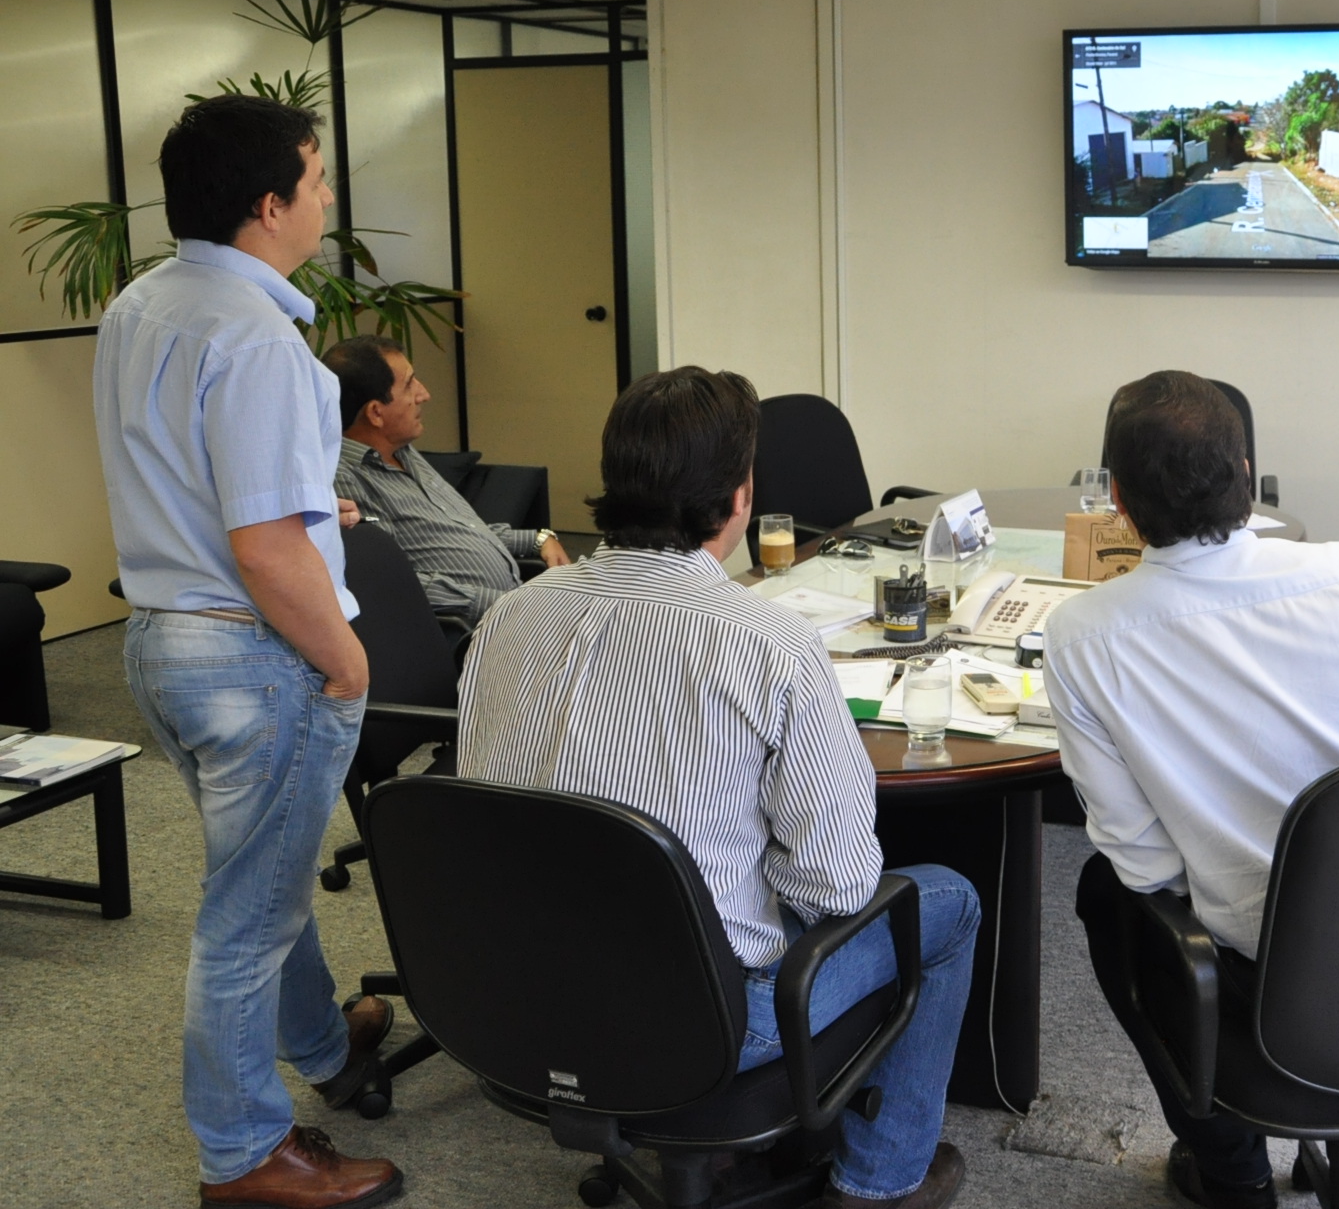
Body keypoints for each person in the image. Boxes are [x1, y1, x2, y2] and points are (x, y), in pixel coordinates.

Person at [457, 366, 977, 1209]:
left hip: (511, 1004)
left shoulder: (510, 615)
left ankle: (722, 1151)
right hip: (707, 1027)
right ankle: (881, 1181)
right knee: (945, 901)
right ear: (739, 498)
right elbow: (839, 886)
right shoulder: (771, 644)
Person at [1045, 371, 1339, 1209]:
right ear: (1247, 475)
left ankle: (1233, 1172)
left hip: (1278, 983)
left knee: (1107, 894)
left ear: (1115, 499)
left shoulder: (1084, 637)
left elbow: (1143, 865)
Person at [93, 94, 402, 1207]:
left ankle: (322, 1044)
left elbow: (199, 478)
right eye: (317, 180)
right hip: (251, 654)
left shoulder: (143, 304)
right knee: (245, 918)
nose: (326, 198)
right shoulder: (260, 337)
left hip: (162, 641)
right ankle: (243, 1154)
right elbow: (267, 554)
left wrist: (315, 512)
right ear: (270, 204)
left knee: (256, 870)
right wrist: (347, 659)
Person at [323, 334, 568, 622]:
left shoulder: (403, 451)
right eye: (410, 384)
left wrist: (538, 539)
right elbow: (395, 579)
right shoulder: (345, 479)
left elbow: (462, 529)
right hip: (470, 630)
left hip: (513, 610)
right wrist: (502, 604)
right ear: (376, 413)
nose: (423, 394)